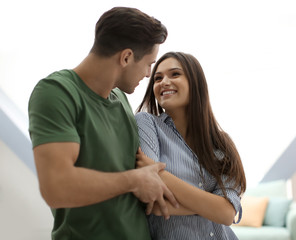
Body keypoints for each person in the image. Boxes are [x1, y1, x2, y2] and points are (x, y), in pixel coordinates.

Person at [28, 7, 178, 240]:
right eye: (149, 64)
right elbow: (56, 187)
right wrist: (134, 180)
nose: (149, 74)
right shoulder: (57, 93)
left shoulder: (121, 100)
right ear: (126, 57)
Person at [135, 51, 247, 240]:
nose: (164, 82)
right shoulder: (146, 123)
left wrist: (160, 173)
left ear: (195, 83)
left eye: (175, 74)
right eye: (158, 78)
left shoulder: (222, 144)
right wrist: (213, 207)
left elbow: (227, 214)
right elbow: (153, 200)